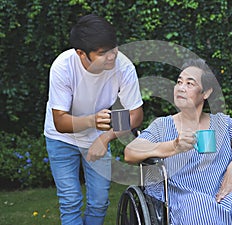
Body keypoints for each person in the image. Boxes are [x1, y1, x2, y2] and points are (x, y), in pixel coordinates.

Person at [124, 58, 232, 224]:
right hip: (184, 195)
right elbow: (131, 152)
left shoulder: (222, 124)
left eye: (190, 84)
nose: (181, 88)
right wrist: (173, 146)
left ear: (206, 93)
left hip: (224, 190)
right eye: (179, 82)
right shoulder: (162, 125)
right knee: (201, 209)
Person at [44, 14, 143, 225]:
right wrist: (91, 121)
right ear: (81, 53)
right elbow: (60, 122)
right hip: (61, 139)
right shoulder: (63, 66)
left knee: (99, 202)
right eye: (102, 53)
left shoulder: (123, 67)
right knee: (70, 201)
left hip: (98, 137)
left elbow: (135, 115)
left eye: (113, 49)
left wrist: (105, 138)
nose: (111, 57)